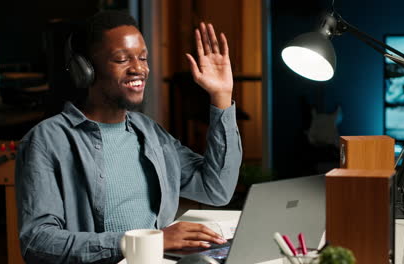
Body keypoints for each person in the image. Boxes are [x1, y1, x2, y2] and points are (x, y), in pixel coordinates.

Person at [15, 10, 242, 264]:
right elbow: (38, 242)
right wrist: (147, 241)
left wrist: (221, 96)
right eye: (122, 59)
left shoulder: (149, 132)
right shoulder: (47, 140)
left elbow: (216, 190)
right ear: (85, 69)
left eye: (143, 58)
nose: (139, 69)